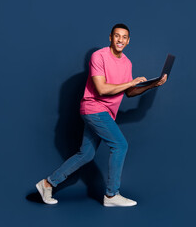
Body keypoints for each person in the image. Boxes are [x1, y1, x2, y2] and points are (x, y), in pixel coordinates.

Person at [36, 23, 167, 207]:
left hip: (106, 113)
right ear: (110, 38)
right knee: (120, 145)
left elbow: (129, 92)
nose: (120, 40)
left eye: (124, 37)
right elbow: (101, 88)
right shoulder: (98, 56)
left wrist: (152, 85)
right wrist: (131, 82)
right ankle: (112, 195)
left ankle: (47, 183)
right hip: (93, 108)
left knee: (86, 154)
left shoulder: (127, 63)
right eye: (117, 36)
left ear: (128, 41)